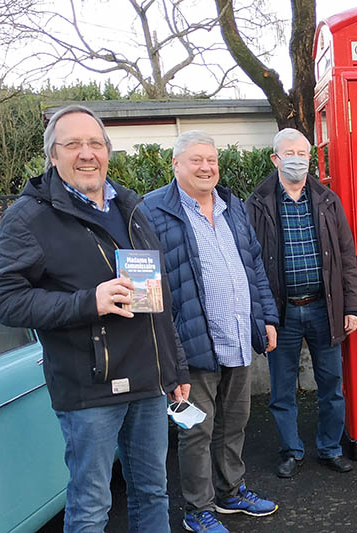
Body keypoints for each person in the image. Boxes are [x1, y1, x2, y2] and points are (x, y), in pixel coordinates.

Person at [0, 105, 190, 533]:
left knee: (153, 492)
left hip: (147, 381)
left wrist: (173, 367)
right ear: (53, 155)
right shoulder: (28, 218)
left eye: (95, 143)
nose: (86, 153)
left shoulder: (130, 206)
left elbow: (158, 298)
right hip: (90, 388)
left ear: (106, 150)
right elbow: (6, 300)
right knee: (90, 505)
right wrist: (90, 301)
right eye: (72, 144)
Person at [141, 131, 280, 532]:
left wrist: (266, 318)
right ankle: (197, 508)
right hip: (191, 346)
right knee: (194, 431)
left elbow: (253, 265)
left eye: (212, 160)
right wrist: (169, 354)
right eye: (196, 160)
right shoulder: (152, 211)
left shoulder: (232, 205)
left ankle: (230, 492)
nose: (206, 168)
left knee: (234, 422)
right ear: (176, 165)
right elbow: (148, 287)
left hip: (236, 337)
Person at [246, 128, 357, 478]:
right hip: (281, 312)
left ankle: (330, 447)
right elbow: (249, 263)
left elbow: (347, 255)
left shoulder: (328, 200)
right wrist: (261, 315)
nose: (297, 159)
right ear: (275, 159)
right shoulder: (256, 203)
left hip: (324, 308)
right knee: (282, 389)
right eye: (290, 153)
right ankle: (290, 451)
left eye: (302, 153)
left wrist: (352, 306)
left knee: (331, 385)